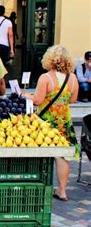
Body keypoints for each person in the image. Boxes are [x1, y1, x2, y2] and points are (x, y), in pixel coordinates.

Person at [22, 45, 79, 201]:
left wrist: (25, 95)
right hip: (64, 121)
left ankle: (36, 187)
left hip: (46, 122)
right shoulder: (72, 78)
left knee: (39, 153)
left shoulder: (46, 78)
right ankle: (62, 190)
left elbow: (38, 100)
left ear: (49, 59)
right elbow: (73, 99)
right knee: (62, 157)